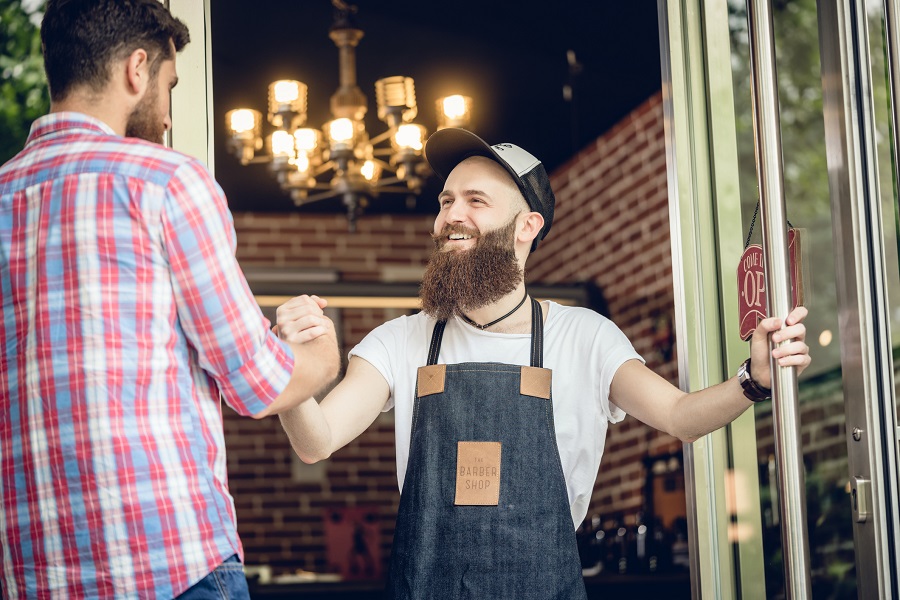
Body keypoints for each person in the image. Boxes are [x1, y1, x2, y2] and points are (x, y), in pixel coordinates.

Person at [273, 128, 811, 599]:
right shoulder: (401, 341)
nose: (450, 217)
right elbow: (315, 442)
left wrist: (754, 379)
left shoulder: (584, 337)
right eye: (445, 201)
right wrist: (291, 373)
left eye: (475, 201)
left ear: (528, 225)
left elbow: (680, 416)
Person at [0, 1, 339, 598]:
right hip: (170, 568)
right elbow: (257, 383)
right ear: (137, 70)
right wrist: (320, 354)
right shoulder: (162, 181)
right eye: (170, 84)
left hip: (31, 575)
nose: (166, 113)